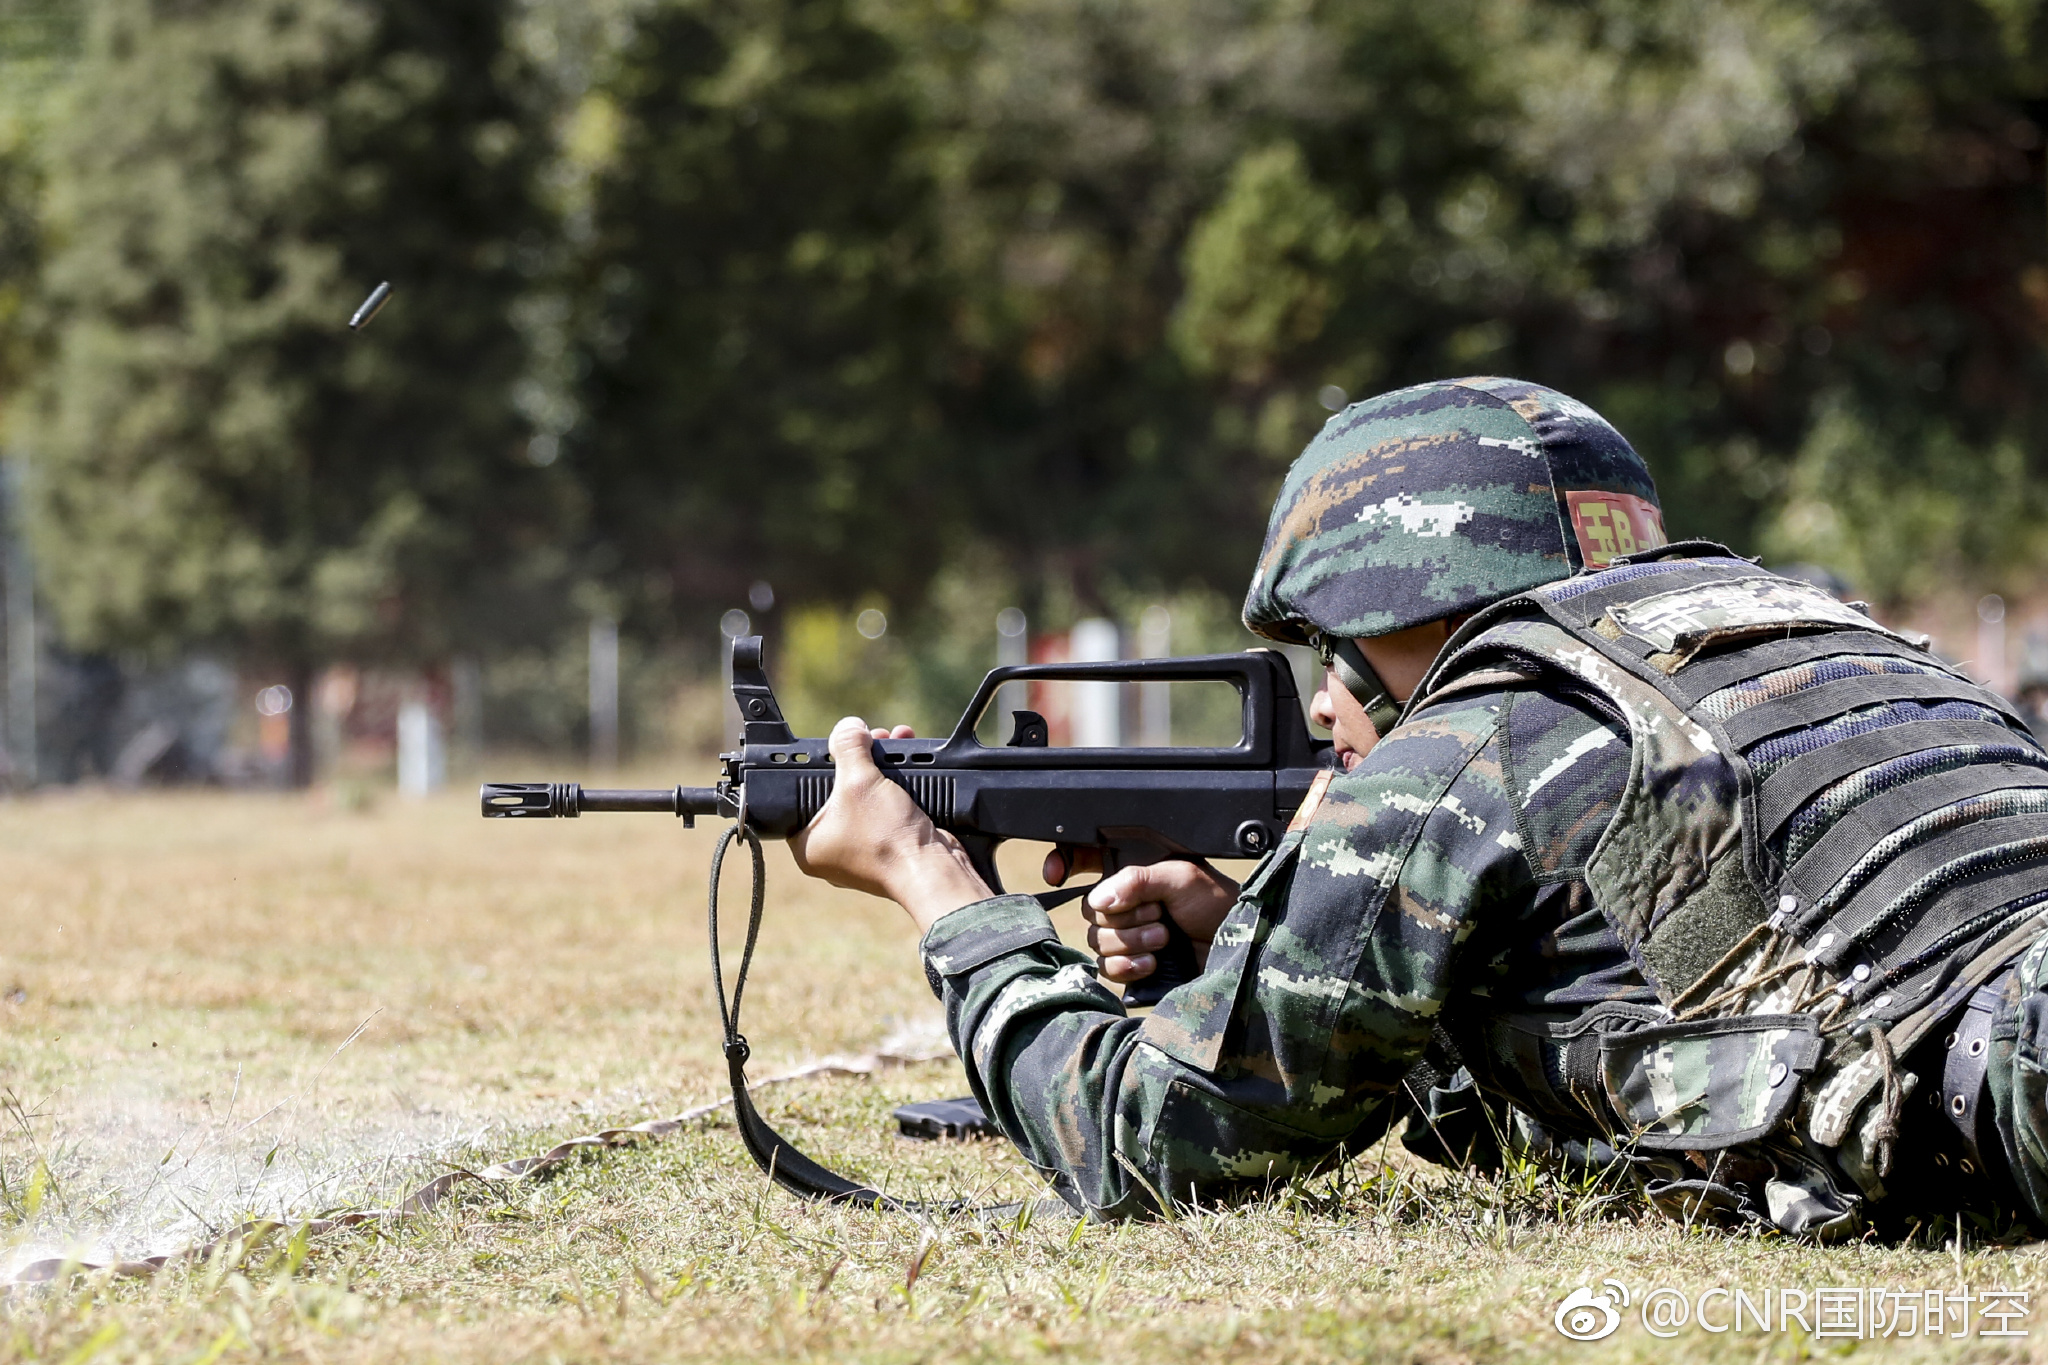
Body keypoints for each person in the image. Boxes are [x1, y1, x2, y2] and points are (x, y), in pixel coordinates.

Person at [790, 376, 2048, 1237]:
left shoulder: (1477, 732)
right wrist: (1270, 934)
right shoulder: (1827, 638)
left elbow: (1148, 1145)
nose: (1328, 700)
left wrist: (932, 883)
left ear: (1399, 603)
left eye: (1329, 646)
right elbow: (1623, 1006)